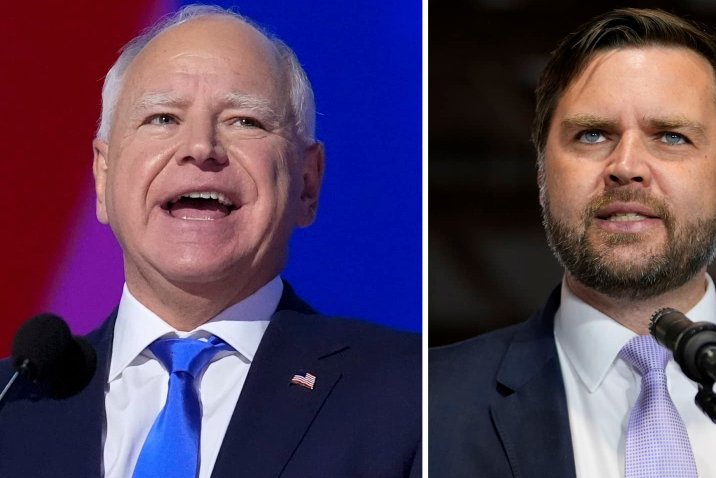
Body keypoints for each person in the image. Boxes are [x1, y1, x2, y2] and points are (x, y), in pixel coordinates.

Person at [0, 5, 420, 478]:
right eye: (162, 118)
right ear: (103, 176)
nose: (200, 147)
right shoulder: (11, 402)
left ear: (307, 183)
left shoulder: (413, 394)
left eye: (245, 121)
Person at [430, 8, 716, 478]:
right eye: (592, 134)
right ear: (542, 172)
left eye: (671, 137)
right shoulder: (426, 405)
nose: (626, 165)